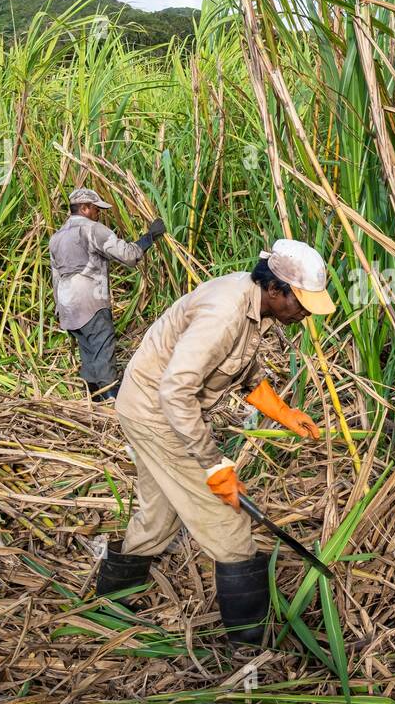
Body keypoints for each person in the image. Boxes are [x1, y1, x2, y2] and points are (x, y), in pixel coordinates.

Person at [93, 239, 334, 644]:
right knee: (232, 529)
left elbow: (242, 367)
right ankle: (248, 644)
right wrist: (214, 464)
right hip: (158, 412)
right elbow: (175, 391)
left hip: (157, 408)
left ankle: (108, 603)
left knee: (160, 516)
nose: (307, 312)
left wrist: (282, 412)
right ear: (276, 290)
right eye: (303, 302)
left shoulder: (253, 303)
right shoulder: (224, 313)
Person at [48, 187, 165, 401]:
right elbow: (128, 256)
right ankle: (112, 399)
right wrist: (150, 237)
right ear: (84, 208)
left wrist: (59, 307)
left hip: (67, 304)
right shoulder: (93, 230)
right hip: (90, 300)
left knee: (88, 352)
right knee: (103, 346)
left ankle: (94, 401)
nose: (98, 213)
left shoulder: (56, 237)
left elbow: (55, 276)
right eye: (95, 209)